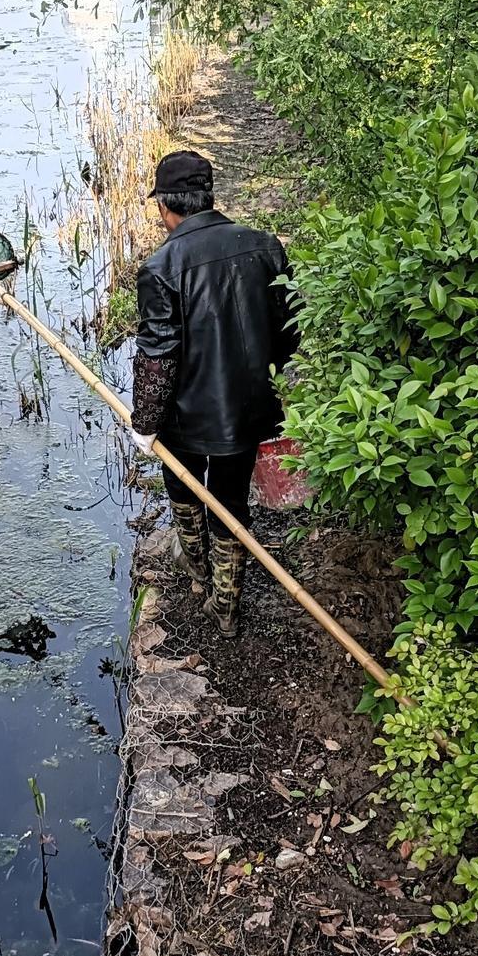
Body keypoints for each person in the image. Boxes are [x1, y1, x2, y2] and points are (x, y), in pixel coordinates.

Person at [129, 149, 295, 636]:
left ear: (165, 206)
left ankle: (200, 579)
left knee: (184, 484)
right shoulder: (265, 246)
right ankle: (226, 605)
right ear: (207, 197)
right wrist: (266, 382)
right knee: (230, 496)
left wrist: (145, 424)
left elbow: (158, 356)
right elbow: (291, 329)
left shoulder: (161, 266)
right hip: (249, 410)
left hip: (186, 416)